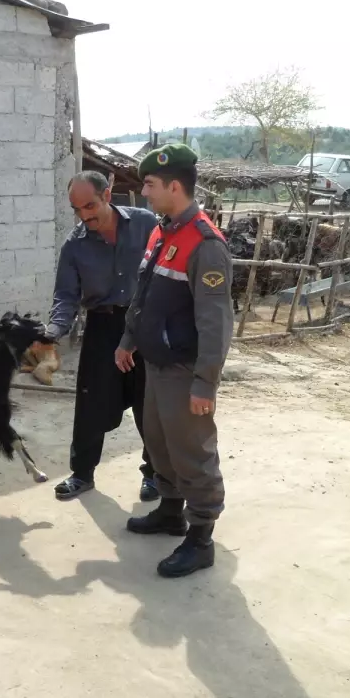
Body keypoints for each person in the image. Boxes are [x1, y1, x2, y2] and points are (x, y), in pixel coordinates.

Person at [115, 143, 235, 578]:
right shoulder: (162, 231)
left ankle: (201, 537)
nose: (144, 193)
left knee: (192, 450)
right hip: (154, 363)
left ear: (174, 186)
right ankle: (170, 512)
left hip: (184, 370)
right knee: (158, 442)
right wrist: (129, 337)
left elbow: (216, 321)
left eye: (149, 185)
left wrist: (206, 382)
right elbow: (143, 294)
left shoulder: (206, 244)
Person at [46, 170, 161, 503]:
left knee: (149, 403)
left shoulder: (146, 224)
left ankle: (154, 474)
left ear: (107, 195)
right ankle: (82, 473)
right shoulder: (74, 245)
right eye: (76, 209)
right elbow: (65, 297)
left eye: (90, 206)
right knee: (90, 402)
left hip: (146, 325)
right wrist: (53, 331)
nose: (84, 215)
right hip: (103, 326)